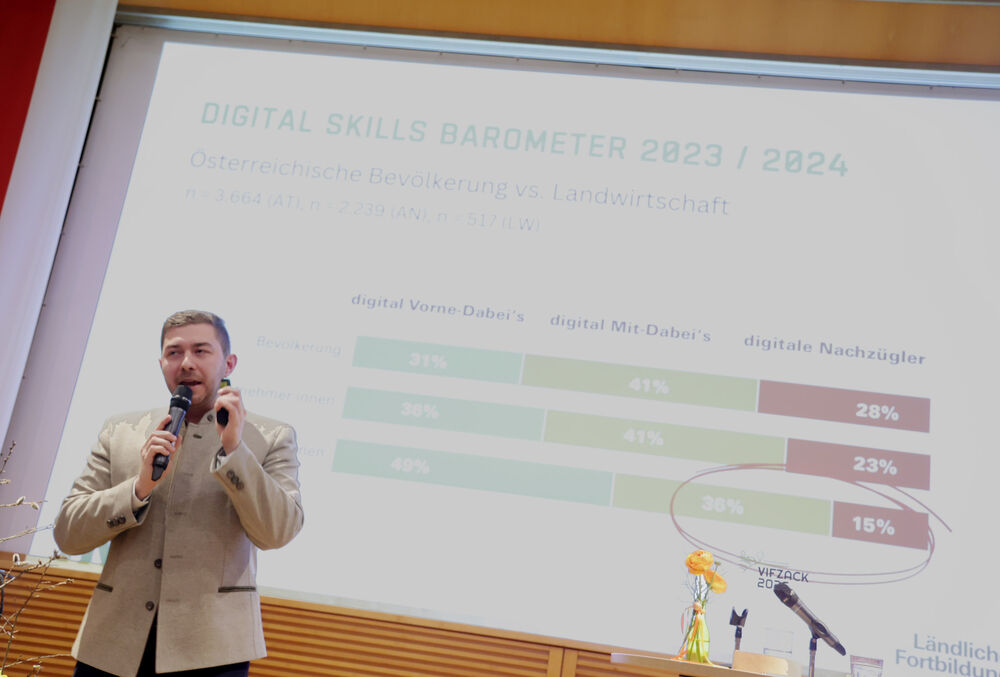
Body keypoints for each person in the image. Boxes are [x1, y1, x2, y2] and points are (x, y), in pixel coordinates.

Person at [54, 310, 304, 677]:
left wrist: (235, 451)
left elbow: (278, 531)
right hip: (112, 645)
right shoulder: (121, 430)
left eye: (201, 351)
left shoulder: (270, 436)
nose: (186, 363)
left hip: (212, 651)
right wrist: (138, 488)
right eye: (174, 353)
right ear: (161, 363)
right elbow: (68, 535)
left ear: (229, 363)